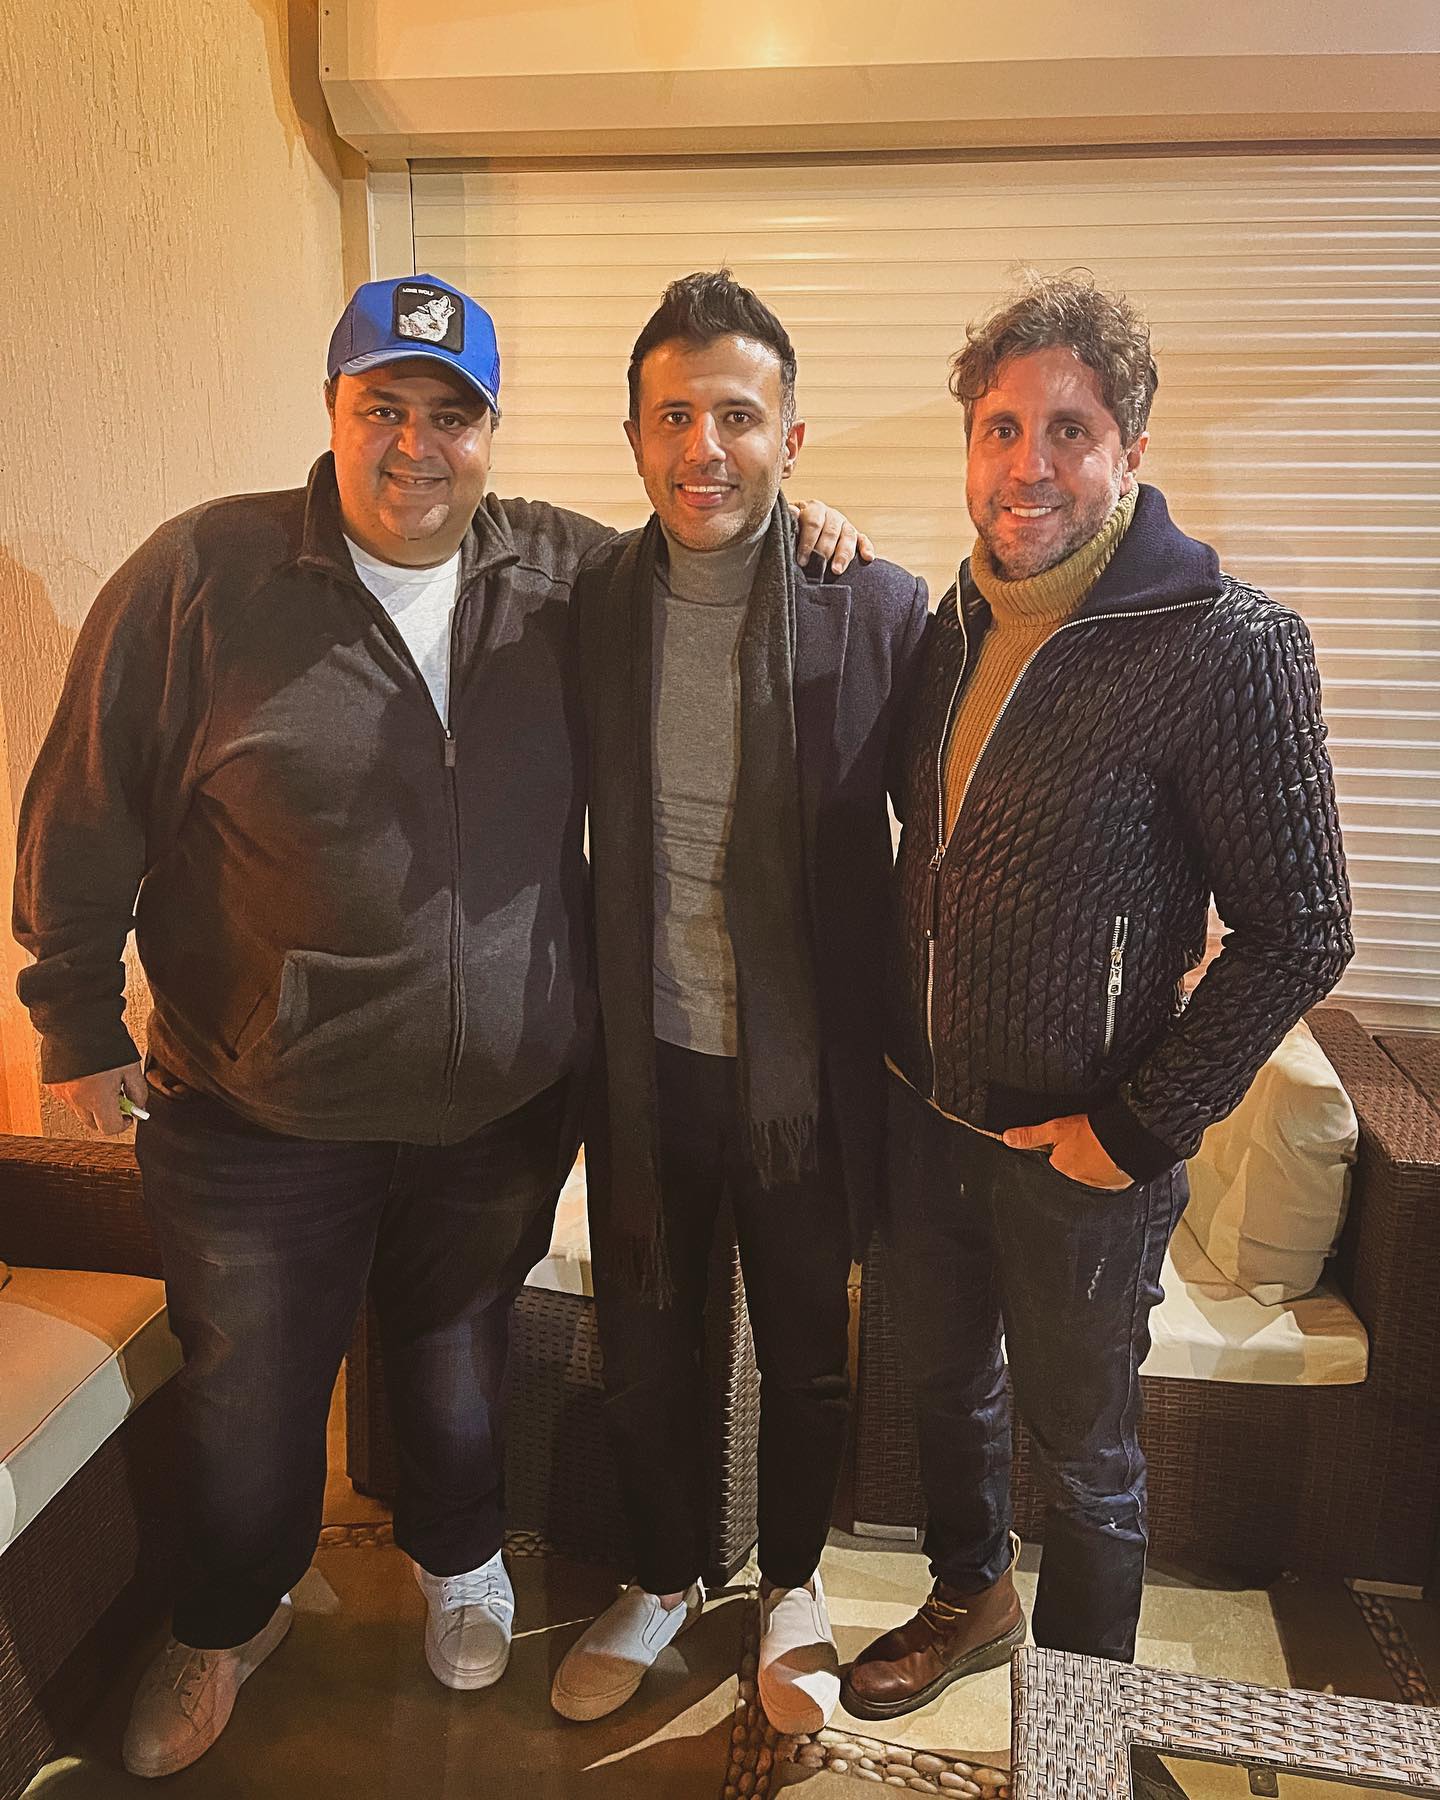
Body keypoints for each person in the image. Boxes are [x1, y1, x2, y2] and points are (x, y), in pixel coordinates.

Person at [11, 273, 864, 1779]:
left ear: (492, 431)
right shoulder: (203, 574)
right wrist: (73, 1016)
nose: (417, 446)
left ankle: (460, 1563)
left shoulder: (560, 569)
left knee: (460, 1366)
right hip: (259, 1113)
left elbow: (710, 540)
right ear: (333, 412)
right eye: (384, 408)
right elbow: (82, 807)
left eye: (451, 415)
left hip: (493, 1113)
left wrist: (810, 534)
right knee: (250, 1401)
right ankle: (227, 1618)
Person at [841, 271, 1353, 1719]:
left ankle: (1080, 1721)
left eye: (1069, 428)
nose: (1029, 464)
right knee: (944, 1397)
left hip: (1083, 1154)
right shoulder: (948, 622)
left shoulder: (1226, 644)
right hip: (927, 1119)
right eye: (1000, 428)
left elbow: (1302, 929)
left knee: (1087, 1463)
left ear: (1129, 446)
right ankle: (970, 1599)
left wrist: (1137, 1128)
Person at [548, 271, 929, 1736]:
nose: (704, 447)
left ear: (791, 436)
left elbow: (944, 837)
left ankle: (793, 1586)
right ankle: (661, 1576)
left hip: (807, 1074)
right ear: (635, 437)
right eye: (674, 417)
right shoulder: (589, 599)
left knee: (809, 1356)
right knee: (646, 1345)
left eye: (738, 416)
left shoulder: (874, 606)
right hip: (649, 1064)